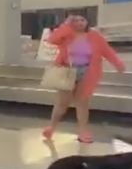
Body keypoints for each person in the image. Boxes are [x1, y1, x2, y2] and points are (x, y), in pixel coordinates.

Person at [43, 14, 125, 143]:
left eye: (82, 20)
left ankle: (83, 131)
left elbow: (107, 51)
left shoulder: (95, 36)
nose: (80, 23)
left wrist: (118, 64)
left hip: (87, 72)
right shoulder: (67, 35)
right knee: (62, 103)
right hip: (67, 71)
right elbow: (52, 40)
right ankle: (51, 127)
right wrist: (66, 26)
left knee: (82, 103)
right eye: (76, 20)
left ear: (87, 22)